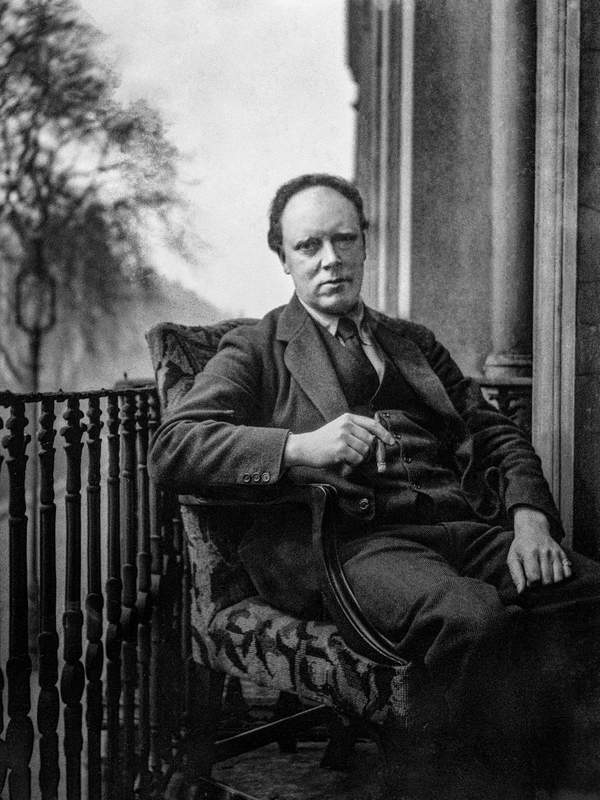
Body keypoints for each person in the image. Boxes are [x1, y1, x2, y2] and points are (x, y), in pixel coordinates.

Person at [149, 173, 600, 799]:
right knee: (472, 620)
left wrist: (529, 516)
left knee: (585, 590)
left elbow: (494, 431)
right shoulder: (256, 347)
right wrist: (301, 446)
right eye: (309, 246)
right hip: (352, 545)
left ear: (365, 244)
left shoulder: (413, 342)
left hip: (463, 528)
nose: (331, 259)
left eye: (344, 240)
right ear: (283, 258)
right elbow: (174, 447)